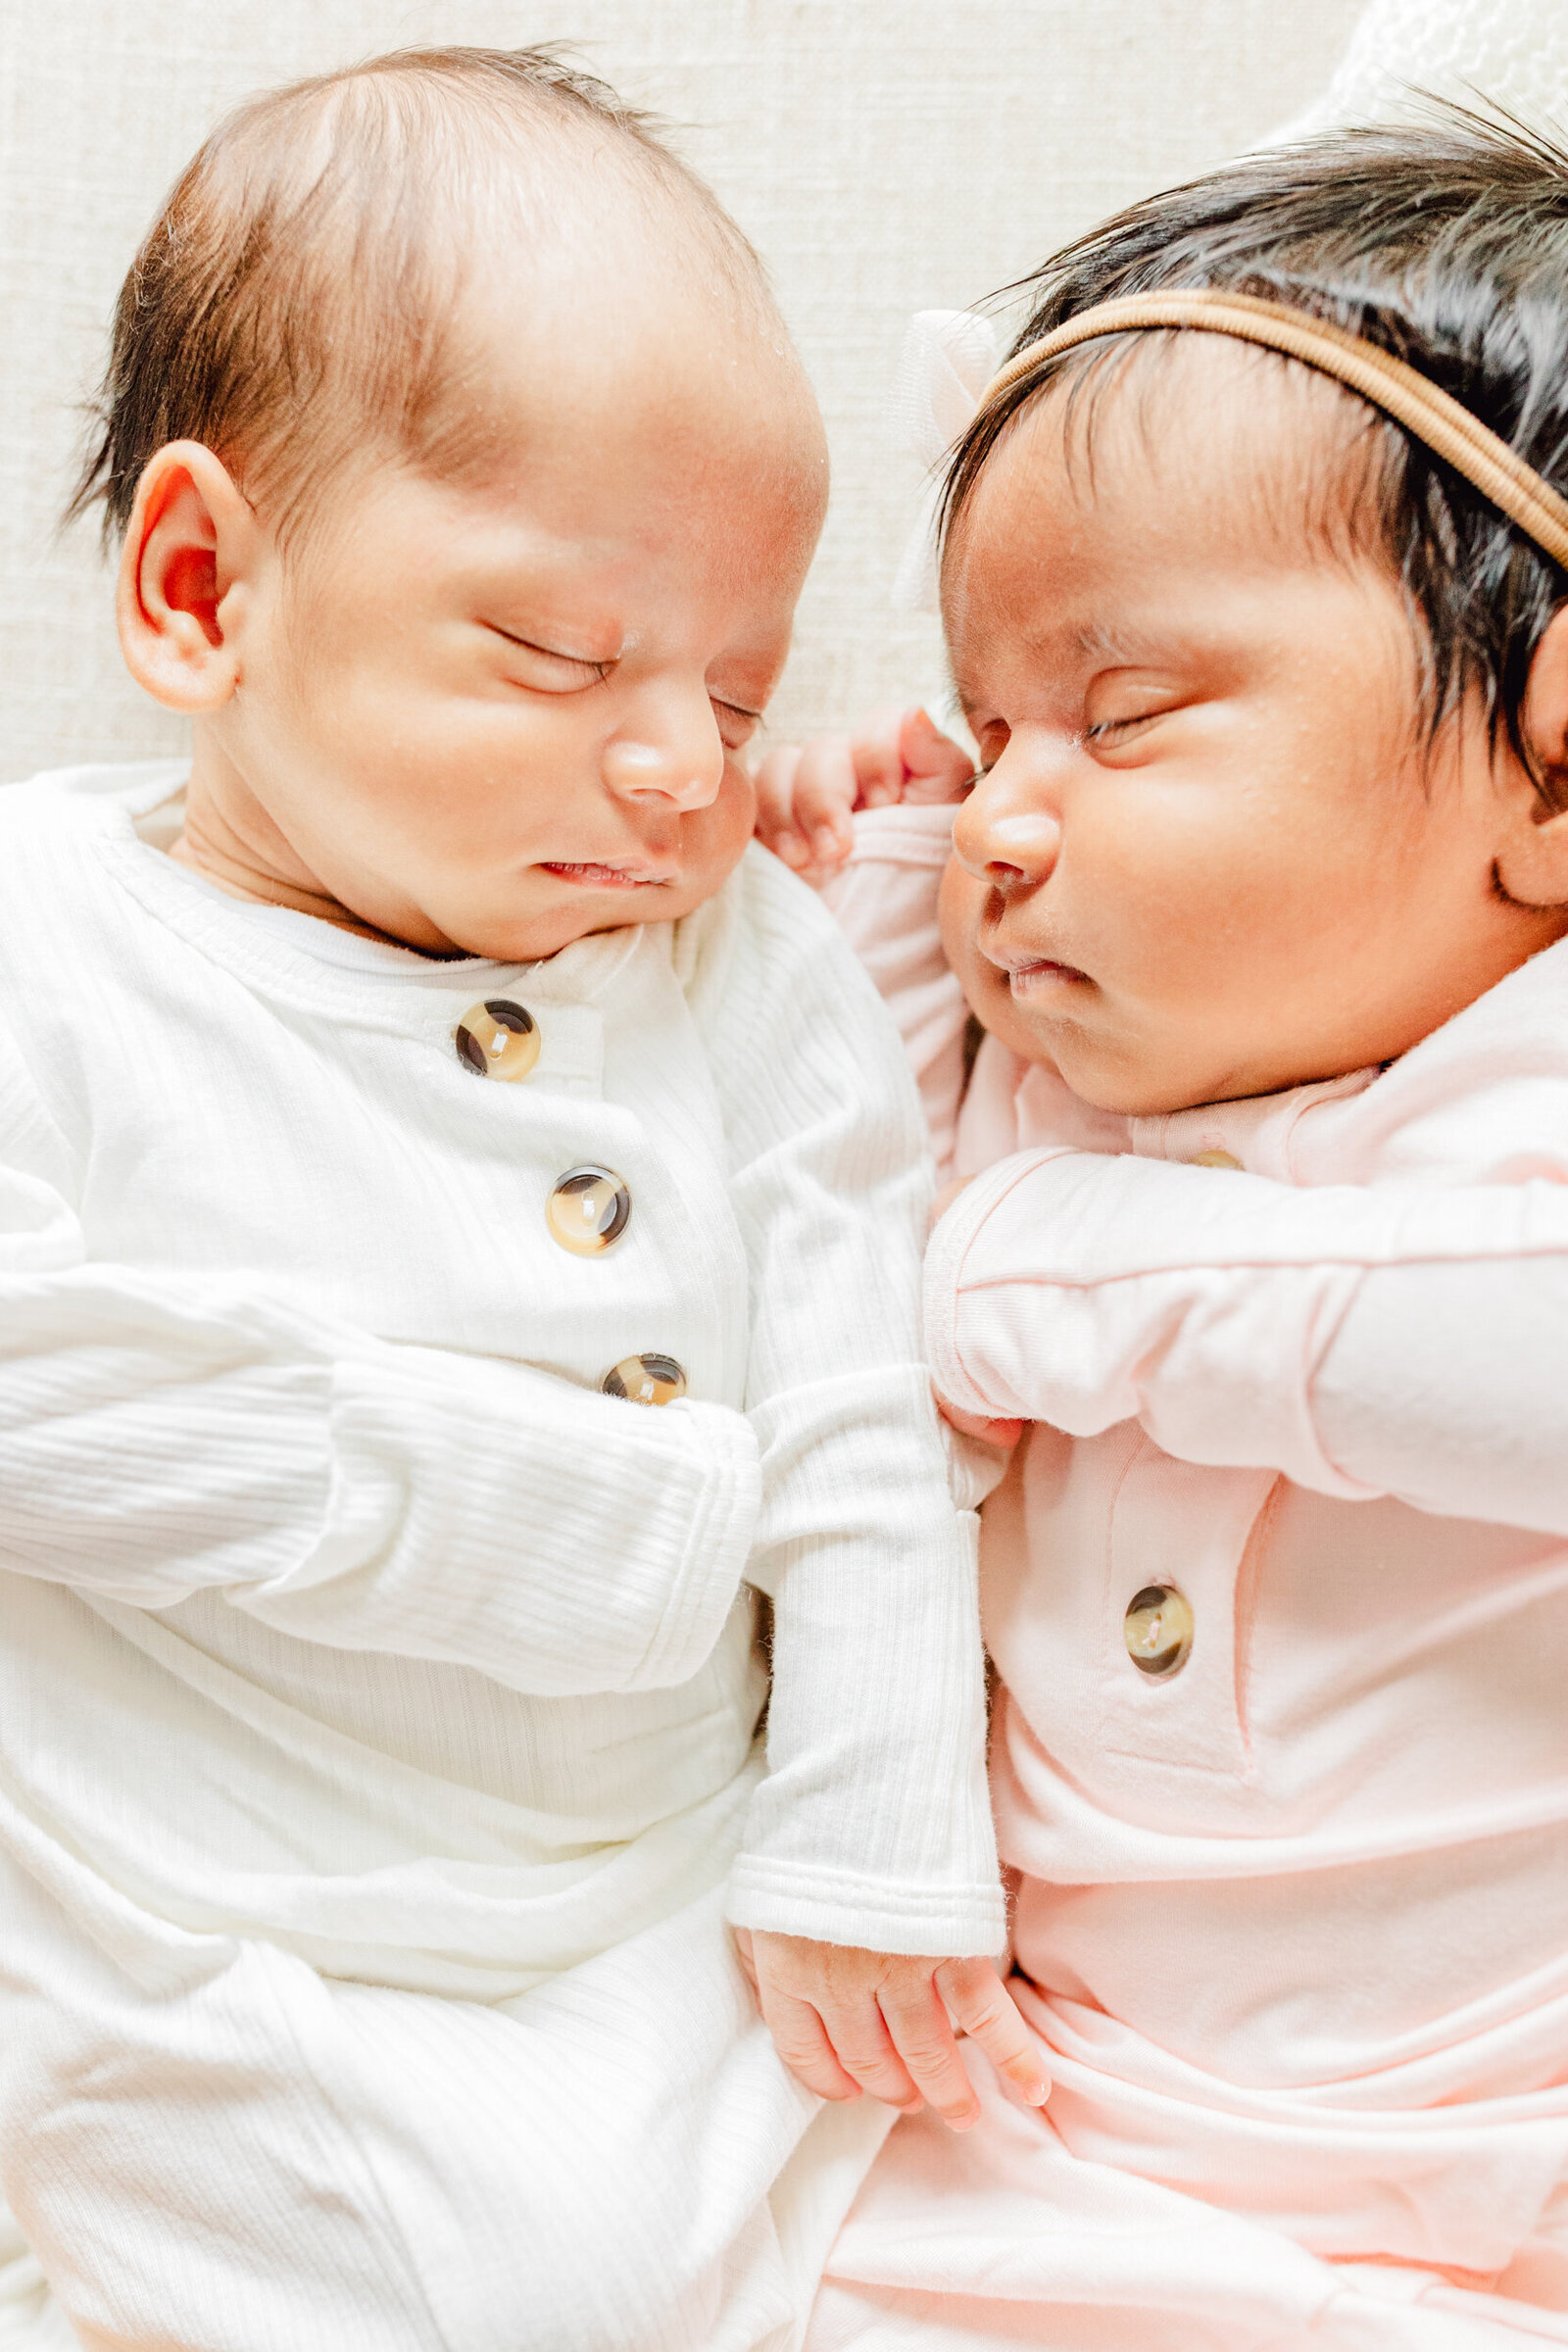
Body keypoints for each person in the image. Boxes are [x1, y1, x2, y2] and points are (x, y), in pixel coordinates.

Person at [0, 46, 1057, 2352]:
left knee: (941, 2179)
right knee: (455, 2272)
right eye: (565, 656)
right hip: (239, 1918)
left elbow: (865, 1398)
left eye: (736, 675)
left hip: (671, 1884)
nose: (685, 760)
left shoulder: (736, 959)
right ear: (203, 587)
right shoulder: (49, 944)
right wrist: (550, 1511)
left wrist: (874, 1823)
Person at [758, 113, 1568, 2349]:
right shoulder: (1039, 1092)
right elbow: (795, 1244)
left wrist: (1041, 1278)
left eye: (1115, 717)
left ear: (1550, 761)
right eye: (987, 719)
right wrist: (853, 890)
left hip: (1505, 2178)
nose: (1010, 817)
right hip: (1049, 2155)